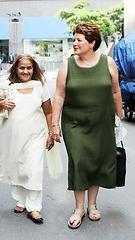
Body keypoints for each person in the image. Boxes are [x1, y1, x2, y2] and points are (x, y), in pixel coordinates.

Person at [51, 22, 123, 229]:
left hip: (103, 121)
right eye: (74, 39)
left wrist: (118, 117)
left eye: (78, 40)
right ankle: (78, 208)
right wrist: (54, 124)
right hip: (74, 123)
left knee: (97, 161)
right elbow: (59, 95)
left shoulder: (108, 63)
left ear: (92, 43)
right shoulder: (68, 64)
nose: (74, 43)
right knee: (80, 161)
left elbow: (116, 92)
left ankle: (92, 205)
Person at [0, 54, 54, 224]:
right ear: (16, 69)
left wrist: (50, 134)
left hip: (35, 135)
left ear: (34, 69)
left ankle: (33, 207)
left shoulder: (40, 86)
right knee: (17, 167)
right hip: (12, 136)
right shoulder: (7, 86)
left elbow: (49, 111)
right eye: (22, 68)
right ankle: (20, 200)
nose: (25, 71)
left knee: (33, 168)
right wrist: (1, 104)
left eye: (29, 68)